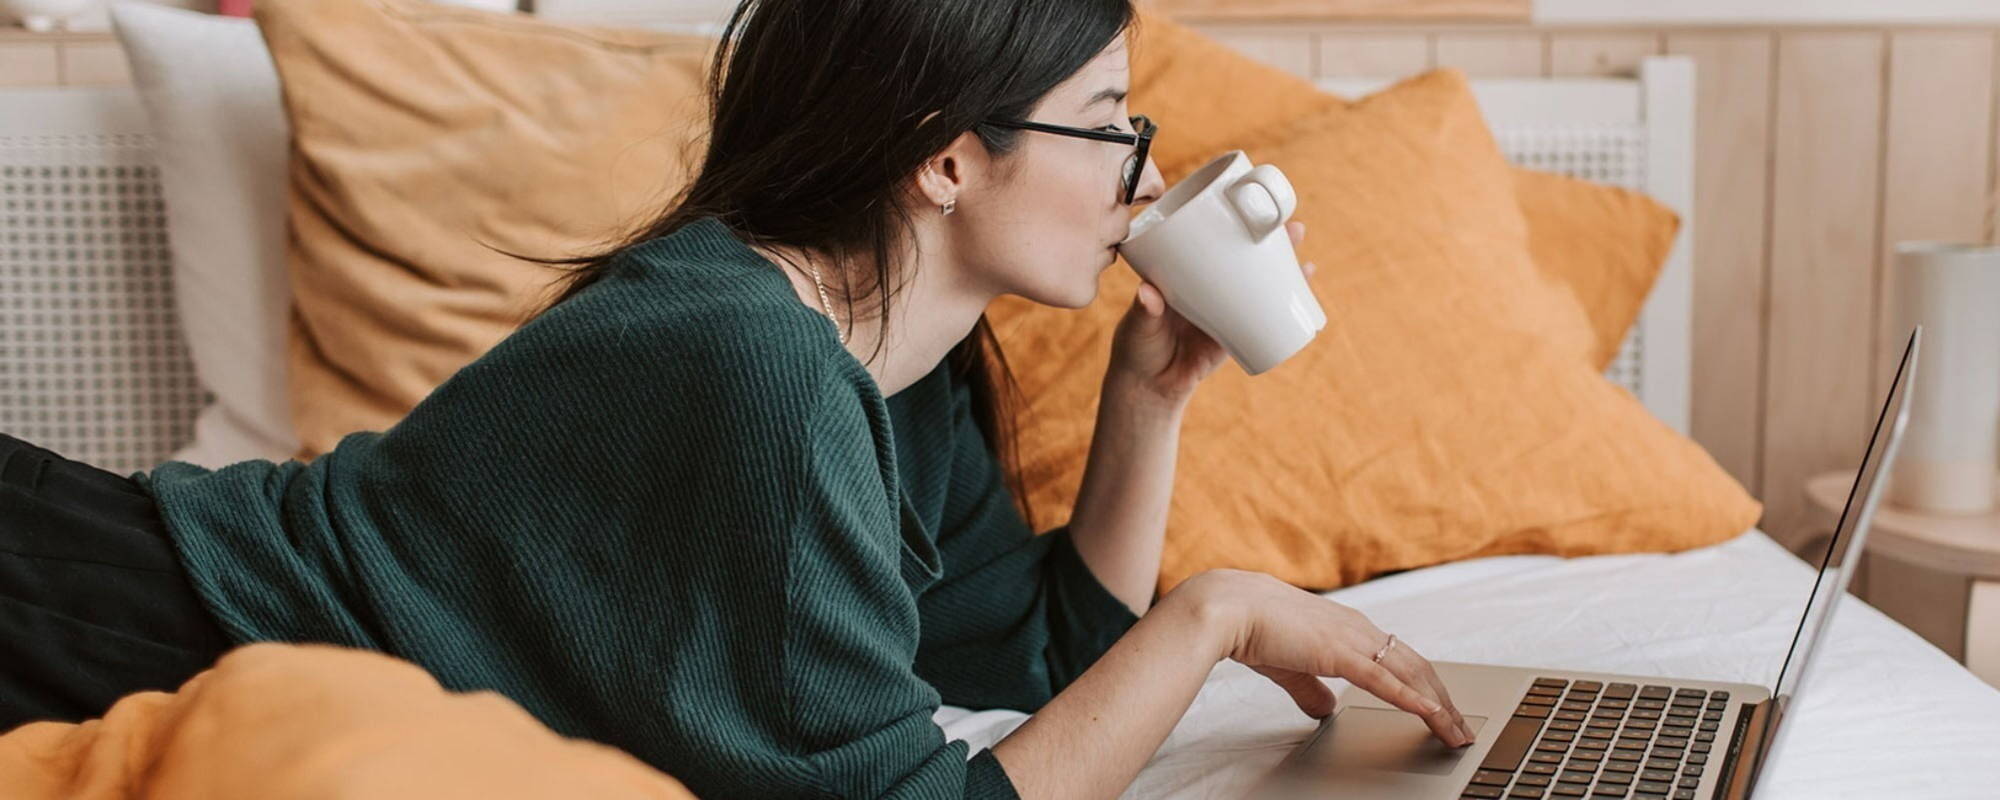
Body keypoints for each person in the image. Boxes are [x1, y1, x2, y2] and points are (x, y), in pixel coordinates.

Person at [0, 0, 1472, 796]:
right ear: (945, 157)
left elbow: (1019, 663)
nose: (1143, 176)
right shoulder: (753, 367)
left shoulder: (898, 360)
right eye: (1103, 125)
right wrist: (1210, 615)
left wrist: (1150, 402)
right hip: (116, 623)